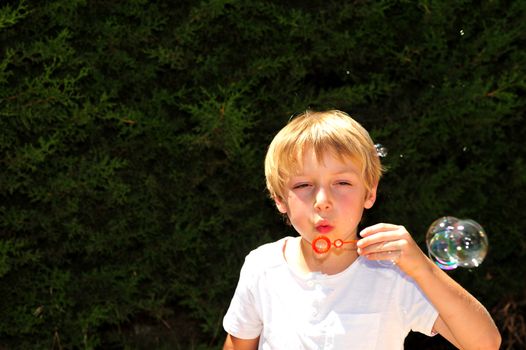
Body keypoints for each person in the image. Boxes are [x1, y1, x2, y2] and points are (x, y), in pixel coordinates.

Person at [222, 110, 501, 349]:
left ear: (369, 193)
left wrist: (423, 268)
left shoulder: (394, 274)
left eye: (342, 183)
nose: (323, 202)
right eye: (303, 185)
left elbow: (485, 344)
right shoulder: (263, 267)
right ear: (280, 199)